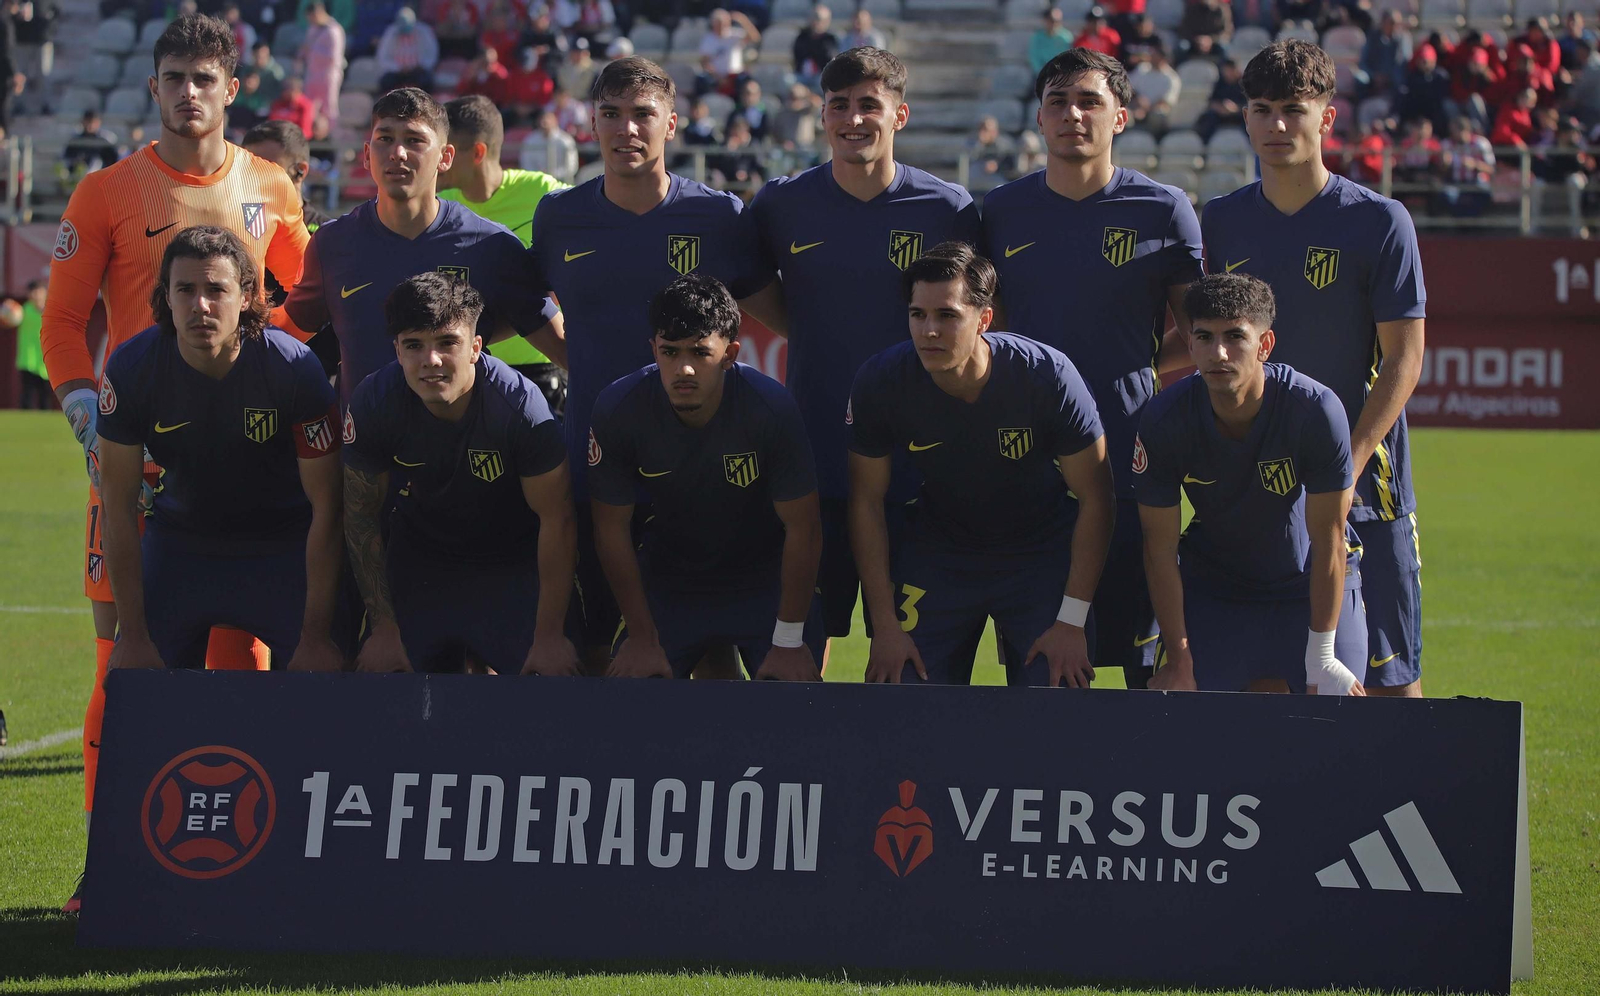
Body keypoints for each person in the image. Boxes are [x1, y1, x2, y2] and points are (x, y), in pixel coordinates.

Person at [40, 16, 312, 908]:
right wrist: (84, 401)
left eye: (204, 77)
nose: (187, 92)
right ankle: (105, 868)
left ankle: (240, 861)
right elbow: (60, 323)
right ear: (153, 88)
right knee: (124, 666)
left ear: (232, 90)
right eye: (172, 77)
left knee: (247, 670)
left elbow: (302, 319)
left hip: (247, 472)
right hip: (137, 469)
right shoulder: (106, 192)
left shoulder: (270, 187)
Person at [529, 56, 780, 667]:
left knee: (709, 655)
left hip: (702, 471)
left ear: (672, 123)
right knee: (595, 652)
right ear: (591, 124)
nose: (627, 130)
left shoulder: (720, 216)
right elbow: (527, 302)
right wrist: (576, 356)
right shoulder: (560, 216)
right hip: (598, 457)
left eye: (643, 115)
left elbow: (771, 306)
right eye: (611, 115)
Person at [1202, 40, 1427, 697]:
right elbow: (1210, 342)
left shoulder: (1380, 221)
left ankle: (1410, 803)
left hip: (1366, 474)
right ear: (1243, 118)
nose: (1276, 126)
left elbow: (1403, 359)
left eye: (1294, 110)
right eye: (1262, 110)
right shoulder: (1222, 220)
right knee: (1264, 670)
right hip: (1252, 471)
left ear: (1327, 119)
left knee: (1389, 673)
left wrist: (1348, 462)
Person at [979, 48, 1201, 689]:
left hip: (1130, 459)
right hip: (1027, 471)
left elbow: (1200, 335)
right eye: (1058, 102)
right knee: (1041, 670)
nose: (1072, 114)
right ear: (1040, 119)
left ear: (1122, 117)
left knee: (1137, 673)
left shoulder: (1163, 210)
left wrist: (1139, 370)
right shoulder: (999, 212)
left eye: (1089, 102)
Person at [748, 46, 979, 656]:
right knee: (799, 653)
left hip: (920, 470)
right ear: (822, 115)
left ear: (899, 115)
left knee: (912, 656)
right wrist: (813, 328)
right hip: (813, 458)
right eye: (839, 106)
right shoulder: (780, 204)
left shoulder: (947, 208)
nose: (854, 119)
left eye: (869, 105)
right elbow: (761, 295)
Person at [848, 242, 1112, 686]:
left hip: (1039, 554)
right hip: (939, 552)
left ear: (984, 319)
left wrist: (1071, 621)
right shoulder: (881, 381)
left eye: (947, 315)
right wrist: (885, 628)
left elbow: (1097, 497)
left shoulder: (1047, 376)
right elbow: (865, 502)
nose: (929, 330)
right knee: (903, 691)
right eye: (918, 315)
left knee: (1057, 695)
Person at [96, 225, 344, 680]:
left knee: (323, 698)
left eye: (216, 289)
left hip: (283, 549)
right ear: (166, 297)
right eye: (185, 289)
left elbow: (327, 508)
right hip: (180, 547)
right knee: (141, 691)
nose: (200, 305)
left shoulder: (293, 370)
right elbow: (116, 507)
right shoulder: (132, 370)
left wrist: (316, 635)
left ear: (247, 295)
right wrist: (132, 634)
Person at [1138, 273, 1366, 695]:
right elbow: (1160, 548)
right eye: (1203, 336)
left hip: (1307, 583)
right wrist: (1180, 660)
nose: (1218, 352)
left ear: (1265, 345)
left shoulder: (1315, 410)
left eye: (1235, 337)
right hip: (1217, 587)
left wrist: (1323, 658)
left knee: (1337, 724)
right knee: (1189, 726)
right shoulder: (1164, 420)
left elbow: (1330, 539)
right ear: (1189, 345)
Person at [589, 274, 824, 680]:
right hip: (669, 583)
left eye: (700, 353)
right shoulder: (618, 409)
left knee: (795, 705)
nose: (683, 368)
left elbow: (803, 528)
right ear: (653, 349)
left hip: (763, 582)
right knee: (629, 704)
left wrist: (788, 642)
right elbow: (611, 529)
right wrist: (643, 636)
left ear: (730, 353)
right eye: (669, 351)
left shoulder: (770, 409)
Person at [342, 274, 580, 675]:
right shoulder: (375, 402)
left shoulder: (520, 407)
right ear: (397, 351)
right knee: (379, 683)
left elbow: (557, 520)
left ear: (475, 347)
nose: (431, 360)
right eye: (414, 345)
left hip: (513, 565)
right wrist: (383, 628)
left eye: (447, 343)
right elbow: (361, 517)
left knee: (554, 681)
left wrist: (550, 635)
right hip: (422, 564)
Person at [285, 87, 564, 410]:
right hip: (363, 453)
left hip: (463, 450)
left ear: (445, 157)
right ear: (366, 154)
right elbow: (286, 342)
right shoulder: (331, 244)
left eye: (414, 140)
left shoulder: (491, 245)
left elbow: (562, 347)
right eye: (385, 139)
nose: (397, 153)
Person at [438, 94, 570, 413]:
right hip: (466, 375)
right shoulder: (437, 205)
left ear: (478, 152)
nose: (439, 159)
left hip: (542, 373)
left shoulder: (545, 194)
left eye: (448, 150)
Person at [242, 119, 333, 230]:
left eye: (268, 169)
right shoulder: (236, 228)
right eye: (249, 169)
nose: (255, 179)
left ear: (300, 171)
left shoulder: (327, 234)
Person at [298, 1, 346, 127]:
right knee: (309, 106)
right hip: (312, 73)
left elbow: (334, 57)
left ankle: (331, 138)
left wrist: (313, 51)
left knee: (329, 108)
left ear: (319, 12)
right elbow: (305, 48)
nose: (311, 20)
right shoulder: (312, 29)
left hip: (328, 75)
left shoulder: (334, 30)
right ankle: (311, 134)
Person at [697, 8, 760, 97]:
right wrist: (719, 78)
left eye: (724, 23)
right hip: (716, 77)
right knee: (702, 81)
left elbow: (755, 38)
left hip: (735, 76)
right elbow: (705, 62)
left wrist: (743, 20)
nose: (721, 26)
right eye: (718, 23)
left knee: (747, 81)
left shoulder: (734, 35)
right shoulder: (708, 39)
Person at [376, 7, 439, 93]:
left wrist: (421, 66)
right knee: (386, 82)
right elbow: (383, 57)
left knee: (427, 81)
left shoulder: (424, 31)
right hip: (397, 72)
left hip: (417, 71)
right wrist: (398, 68)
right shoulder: (390, 32)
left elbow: (431, 54)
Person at [13, 280, 49, 409]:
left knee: (45, 398)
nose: (36, 295)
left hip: (46, 362)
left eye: (39, 291)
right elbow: (9, 315)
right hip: (27, 360)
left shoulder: (51, 312)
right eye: (33, 292)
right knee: (27, 396)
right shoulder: (22, 311)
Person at [519, 107, 580, 181]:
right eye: (542, 119)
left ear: (556, 121)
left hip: (561, 181)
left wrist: (552, 175)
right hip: (536, 182)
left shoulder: (565, 140)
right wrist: (539, 175)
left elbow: (571, 166)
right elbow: (526, 163)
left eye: (548, 119)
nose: (545, 122)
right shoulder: (530, 140)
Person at [793, 5, 838, 91]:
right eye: (814, 18)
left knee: (824, 82)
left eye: (819, 19)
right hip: (802, 75)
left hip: (820, 75)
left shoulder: (830, 39)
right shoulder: (802, 37)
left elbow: (830, 58)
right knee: (788, 80)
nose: (816, 22)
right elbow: (797, 56)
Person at [1029, 8, 1074, 79]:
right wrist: (1043, 72)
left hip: (1061, 74)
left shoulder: (1066, 37)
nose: (1055, 23)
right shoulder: (1037, 37)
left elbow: (1068, 57)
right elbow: (1034, 57)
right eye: (1052, 20)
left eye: (1057, 21)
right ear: (1045, 20)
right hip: (1041, 74)